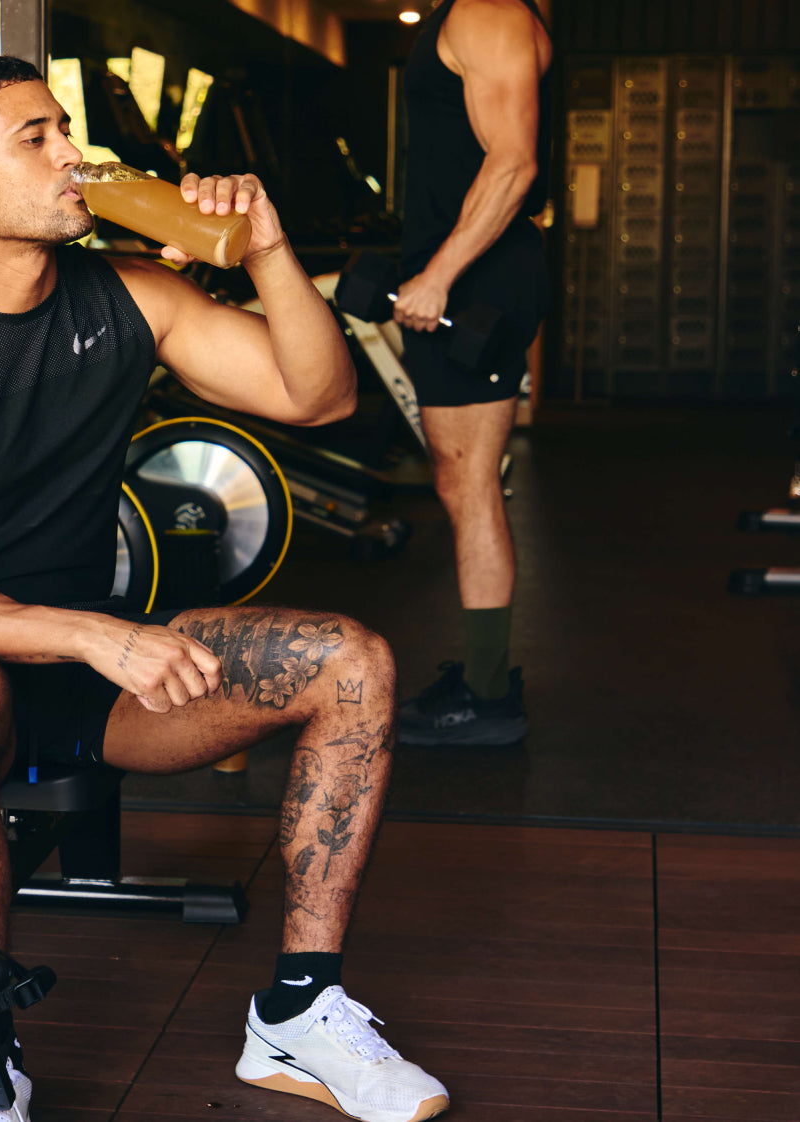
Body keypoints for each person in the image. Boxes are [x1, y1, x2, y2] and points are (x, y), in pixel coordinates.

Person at [0, 55, 449, 1122]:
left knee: (352, 663)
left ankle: (298, 1011)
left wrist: (269, 245)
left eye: (65, 127)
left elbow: (319, 394)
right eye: (36, 138)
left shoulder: (130, 297)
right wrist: (98, 637)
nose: (74, 153)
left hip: (83, 679)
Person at [392, 0, 552, 746]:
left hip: (475, 281)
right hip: (468, 274)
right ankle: (485, 681)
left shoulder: (488, 10)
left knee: (472, 481)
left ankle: (489, 699)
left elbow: (514, 159)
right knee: (459, 480)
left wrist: (440, 275)